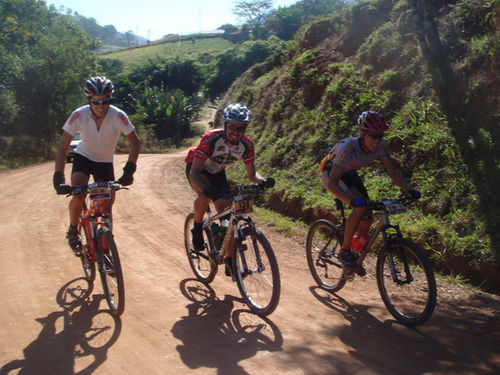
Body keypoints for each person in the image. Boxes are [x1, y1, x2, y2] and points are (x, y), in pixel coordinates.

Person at [320, 110, 420, 269]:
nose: (377, 140)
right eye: (373, 136)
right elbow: (332, 183)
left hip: (349, 174)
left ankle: (354, 248)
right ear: (362, 133)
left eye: (380, 136)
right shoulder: (347, 149)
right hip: (332, 174)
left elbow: (393, 173)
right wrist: (351, 201)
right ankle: (344, 251)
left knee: (368, 217)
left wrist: (408, 190)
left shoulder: (381, 147)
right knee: (360, 208)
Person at [53, 76, 140, 254]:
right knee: (79, 194)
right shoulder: (79, 115)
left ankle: (106, 253)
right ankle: (72, 229)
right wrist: (58, 177)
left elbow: (135, 143)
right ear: (88, 101)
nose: (101, 106)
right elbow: (62, 148)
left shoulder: (118, 116)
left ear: (110, 100)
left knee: (106, 209)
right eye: (96, 102)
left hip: (104, 163)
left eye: (105, 102)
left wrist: (129, 171)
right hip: (83, 158)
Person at [185, 103, 274, 274]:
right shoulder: (210, 139)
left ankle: (228, 258)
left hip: (218, 173)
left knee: (228, 215)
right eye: (232, 126)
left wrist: (263, 181)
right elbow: (195, 173)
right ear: (225, 125)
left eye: (240, 128)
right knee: (204, 196)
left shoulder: (247, 145)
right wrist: (205, 188)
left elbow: (252, 175)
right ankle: (197, 227)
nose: (236, 131)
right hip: (197, 169)